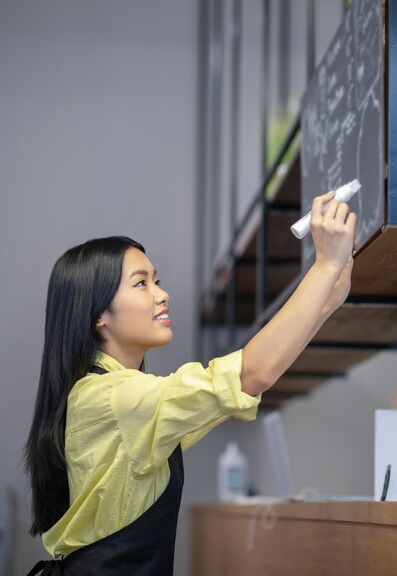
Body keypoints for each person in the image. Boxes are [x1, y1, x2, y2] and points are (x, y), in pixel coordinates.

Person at [25, 191, 356, 576]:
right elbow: (252, 374)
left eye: (157, 281)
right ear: (99, 314)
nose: (162, 294)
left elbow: (238, 388)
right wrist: (323, 267)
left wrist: (327, 298)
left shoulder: (119, 397)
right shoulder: (114, 400)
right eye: (141, 284)